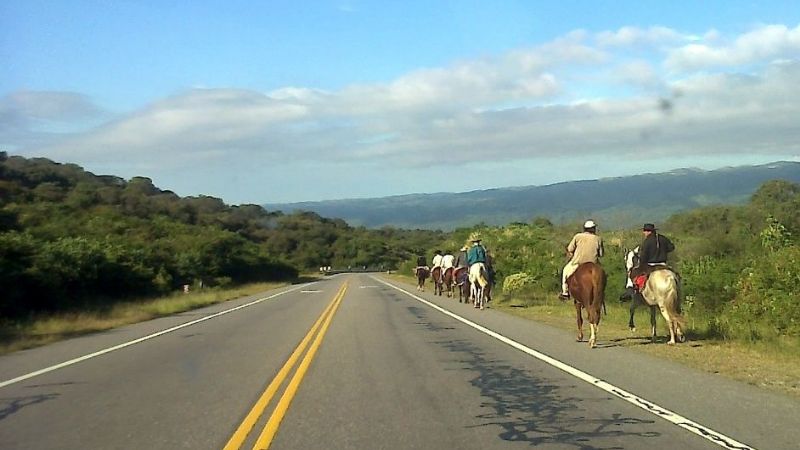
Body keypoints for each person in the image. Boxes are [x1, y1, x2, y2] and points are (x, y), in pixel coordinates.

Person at [560, 220, 604, 299]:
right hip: (594, 263)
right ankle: (602, 290)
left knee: (565, 271)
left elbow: (570, 249)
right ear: (593, 229)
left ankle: (565, 292)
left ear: (585, 229)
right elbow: (601, 254)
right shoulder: (598, 238)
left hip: (578, 262)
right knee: (603, 274)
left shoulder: (578, 236)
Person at [630, 223, 675, 290]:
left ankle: (632, 289)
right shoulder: (663, 238)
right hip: (663, 264)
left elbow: (643, 255)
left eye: (645, 231)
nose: (644, 233)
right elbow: (671, 247)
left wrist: (641, 265)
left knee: (636, 278)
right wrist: (663, 251)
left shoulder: (647, 241)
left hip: (650, 266)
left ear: (649, 231)